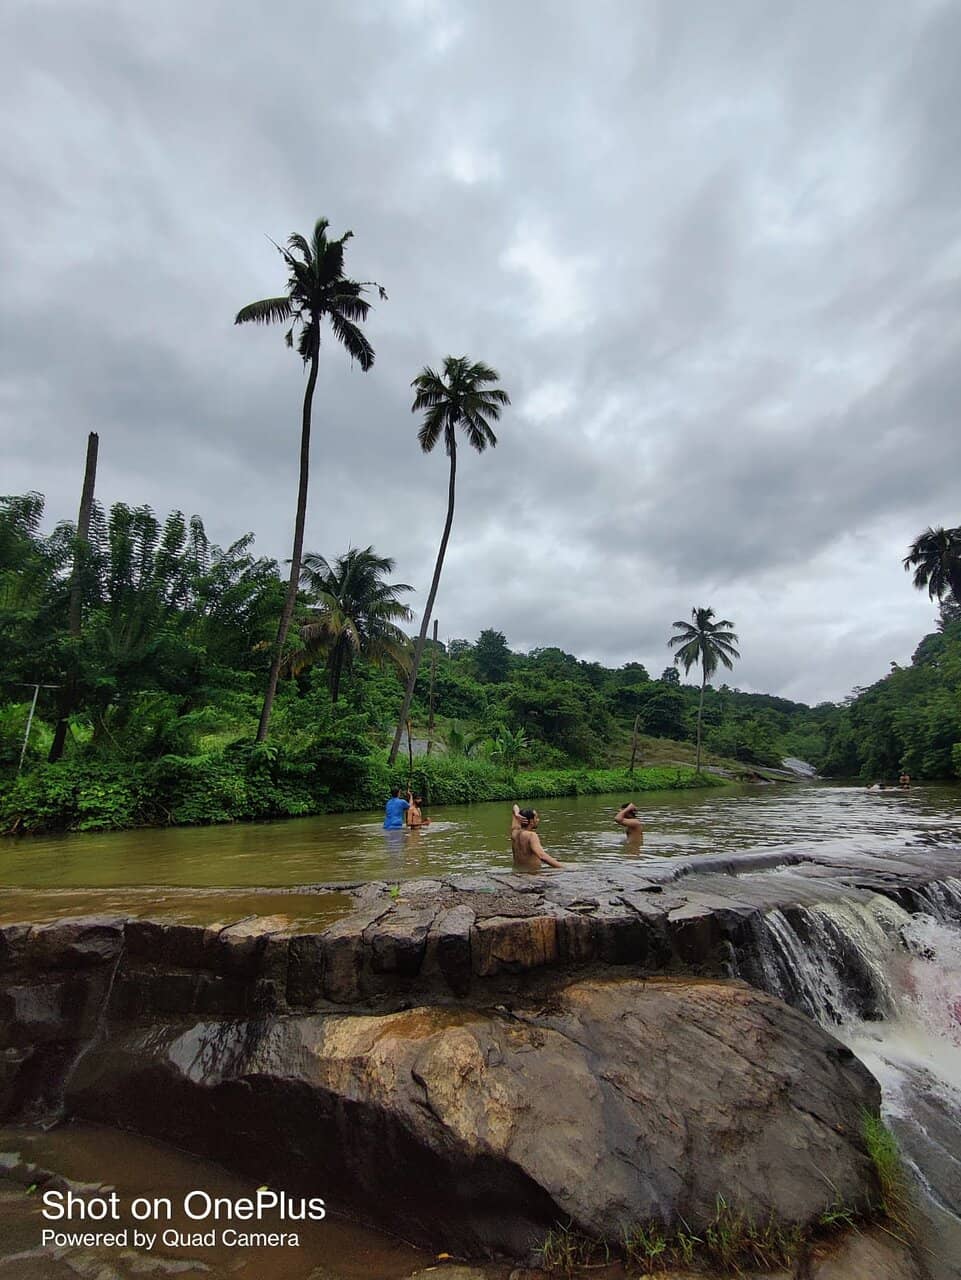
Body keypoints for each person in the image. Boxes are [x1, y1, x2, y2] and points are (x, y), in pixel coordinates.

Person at [510, 803, 563, 871]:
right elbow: (542, 856)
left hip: (518, 874)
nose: (538, 820)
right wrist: (563, 868)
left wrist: (517, 814)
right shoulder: (531, 835)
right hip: (532, 875)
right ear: (531, 821)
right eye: (536, 818)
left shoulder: (514, 833)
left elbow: (515, 806)